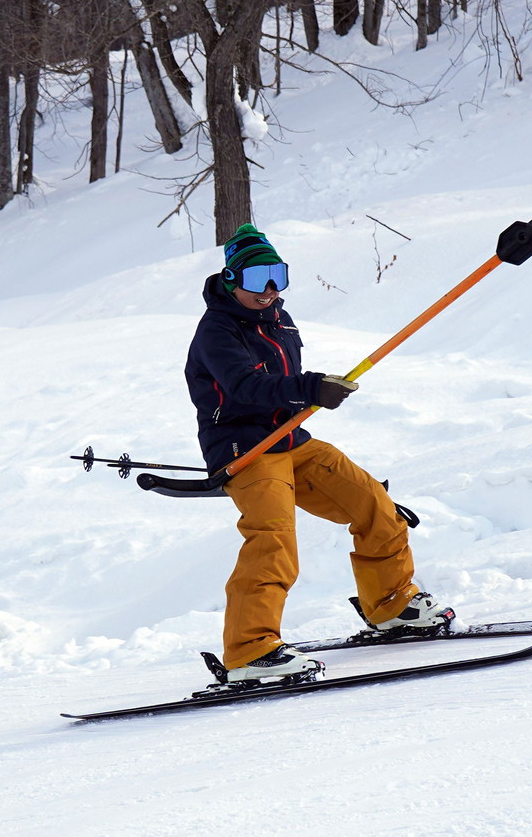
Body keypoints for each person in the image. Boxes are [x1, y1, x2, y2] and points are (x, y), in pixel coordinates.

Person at [185, 223, 454, 682]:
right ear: (231, 280)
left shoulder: (278, 319)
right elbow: (244, 387)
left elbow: (284, 377)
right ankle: (250, 651)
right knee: (272, 538)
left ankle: (392, 606)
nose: (268, 290)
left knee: (374, 504)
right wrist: (308, 387)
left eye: (278, 276)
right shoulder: (217, 330)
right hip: (245, 447)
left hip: (290, 439)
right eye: (255, 279)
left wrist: (317, 387)